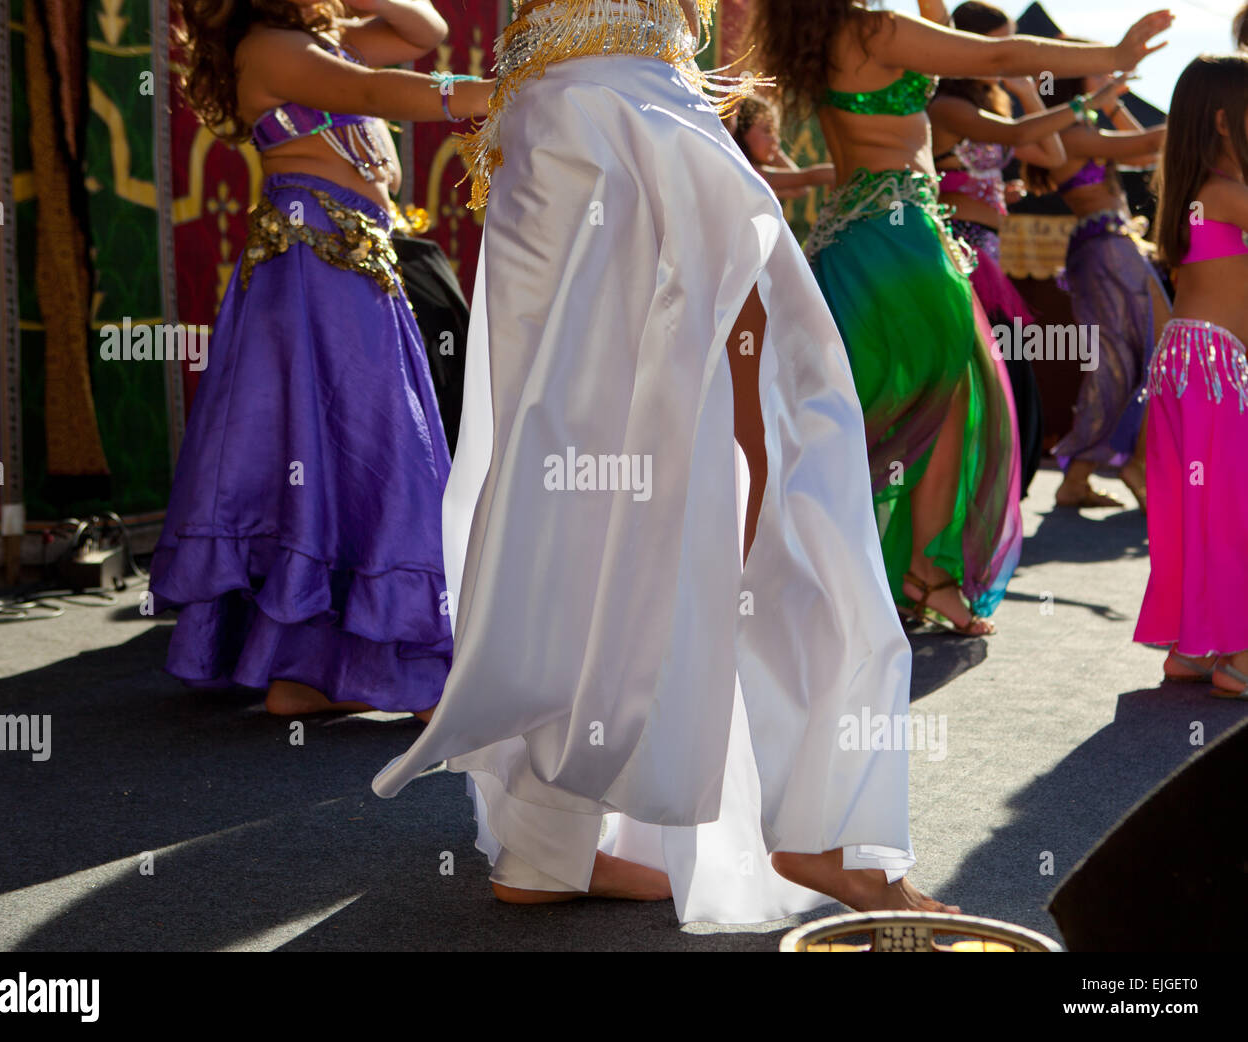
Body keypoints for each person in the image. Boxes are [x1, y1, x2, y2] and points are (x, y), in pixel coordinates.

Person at [375, 0, 958, 922]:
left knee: (570, 463)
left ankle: (547, 838)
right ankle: (813, 812)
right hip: (620, 107)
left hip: (559, 115)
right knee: (764, 424)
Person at [752, 0, 1171, 635]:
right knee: (948, 403)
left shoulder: (811, 38)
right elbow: (1001, 55)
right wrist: (1112, 58)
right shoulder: (876, 30)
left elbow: (947, 26)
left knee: (859, 410)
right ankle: (928, 575)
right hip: (905, 241)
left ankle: (837, 573)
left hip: (846, 241)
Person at [152, 0, 491, 718]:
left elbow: (424, 31)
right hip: (315, 270)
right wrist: (501, 95)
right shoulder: (269, 48)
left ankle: (306, 674)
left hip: (347, 267)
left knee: (340, 459)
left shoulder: (320, 40)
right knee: (379, 451)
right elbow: (372, 93)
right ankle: (403, 672)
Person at [922, 1, 1124, 500]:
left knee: (1002, 378)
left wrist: (1028, 94)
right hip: (958, 249)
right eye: (1001, 41)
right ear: (974, 45)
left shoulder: (996, 100)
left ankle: (983, 486)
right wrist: (1083, 104)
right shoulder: (946, 105)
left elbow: (1050, 154)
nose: (1011, 53)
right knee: (980, 374)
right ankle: (957, 488)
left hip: (987, 250)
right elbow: (1013, 138)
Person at [1135, 53, 1248, 698]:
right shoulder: (1225, 193)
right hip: (1214, 364)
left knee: (1199, 505)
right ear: (1228, 121)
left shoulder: (1197, 191)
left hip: (1187, 360)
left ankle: (1193, 646)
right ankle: (1237, 654)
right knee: (1231, 507)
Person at [1024, 62, 1168, 512]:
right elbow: (1153, 142)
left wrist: (1114, 102)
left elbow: (1146, 156)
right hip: (1108, 250)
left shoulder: (1081, 127)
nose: (1108, 72)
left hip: (1110, 248)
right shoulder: (1073, 134)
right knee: (1130, 359)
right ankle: (1120, 467)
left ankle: (1091, 474)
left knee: (1139, 357)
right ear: (1077, 81)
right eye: (1098, 69)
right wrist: (1209, 105)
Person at [730, 96, 836, 200]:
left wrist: (776, 152)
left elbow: (800, 189)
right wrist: (842, 173)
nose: (776, 140)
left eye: (776, 133)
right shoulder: (748, 172)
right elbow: (806, 178)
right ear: (742, 130)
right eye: (768, 131)